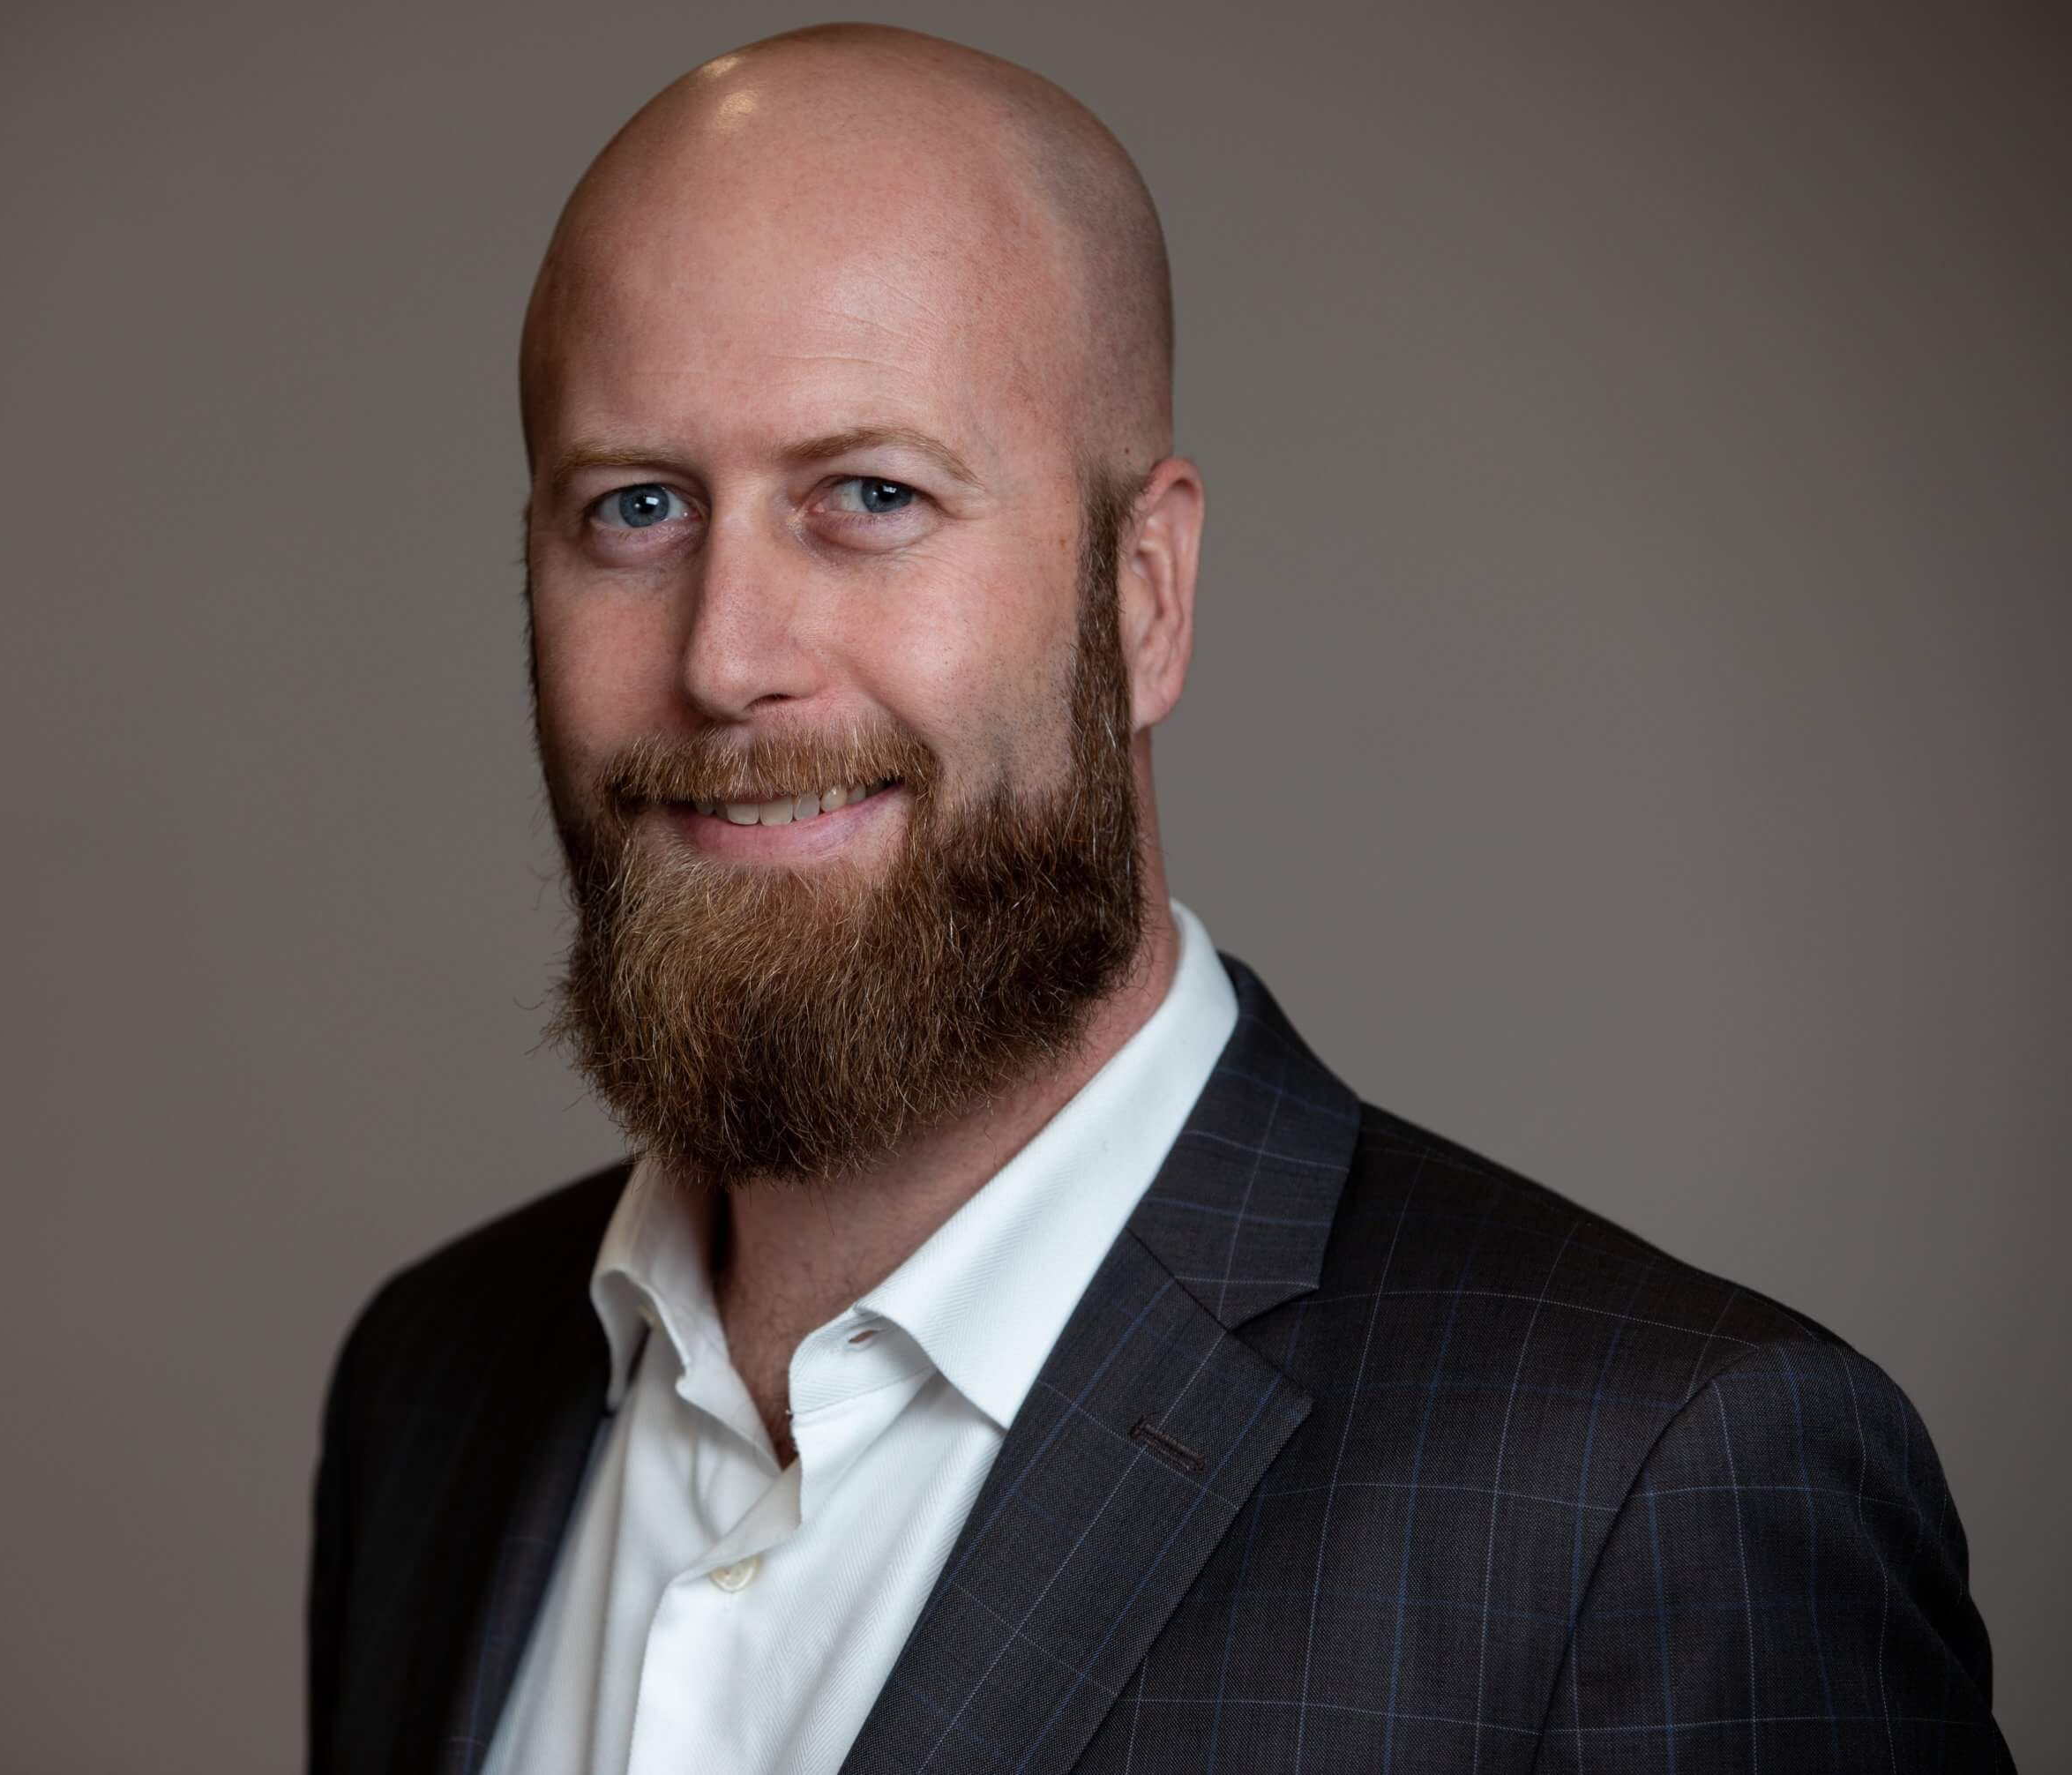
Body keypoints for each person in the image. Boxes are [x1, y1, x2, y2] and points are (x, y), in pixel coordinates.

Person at [306, 23, 2009, 1773]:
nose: (727, 658)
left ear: (1143, 596)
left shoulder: (1642, 1494)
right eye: (637, 507)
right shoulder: (432, 1392)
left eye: (871, 496)